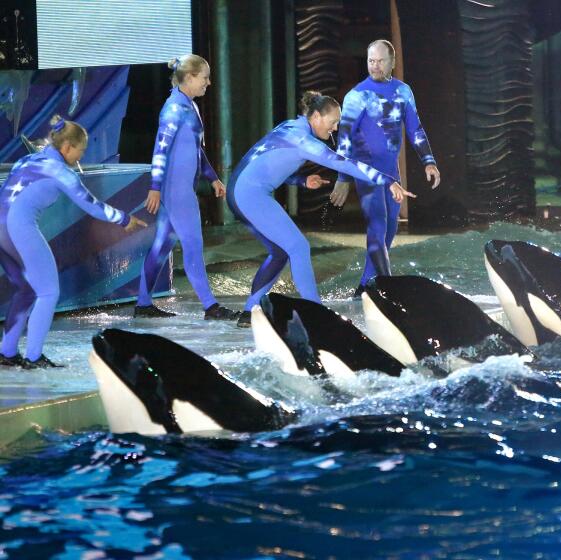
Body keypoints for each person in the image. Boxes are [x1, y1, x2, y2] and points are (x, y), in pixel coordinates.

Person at [227, 90, 413, 327]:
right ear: (316, 116)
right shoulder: (304, 141)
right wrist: (388, 180)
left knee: (281, 252)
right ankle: (316, 313)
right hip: (249, 194)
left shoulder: (291, 127)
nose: (335, 128)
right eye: (333, 122)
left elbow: (266, 165)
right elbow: (343, 163)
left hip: (241, 189)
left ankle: (249, 312)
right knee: (299, 247)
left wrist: (301, 181)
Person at [0, 116, 146, 368]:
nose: (81, 157)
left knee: (26, 289)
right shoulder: (60, 172)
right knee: (48, 291)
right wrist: (125, 219)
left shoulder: (28, 159)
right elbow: (93, 206)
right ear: (67, 147)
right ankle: (33, 357)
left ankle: (7, 352)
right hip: (17, 229)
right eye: (81, 150)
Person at [329, 39, 441, 297]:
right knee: (377, 224)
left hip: (391, 171)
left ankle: (365, 287)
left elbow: (415, 129)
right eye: (371, 61)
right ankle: (387, 287)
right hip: (366, 170)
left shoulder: (403, 91)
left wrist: (429, 161)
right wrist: (343, 177)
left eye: (380, 61)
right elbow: (344, 138)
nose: (375, 66)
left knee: (390, 228)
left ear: (392, 62)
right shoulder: (356, 96)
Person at [134, 54, 240, 320]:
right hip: (175, 192)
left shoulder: (189, 106)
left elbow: (196, 150)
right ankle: (210, 306)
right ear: (190, 77)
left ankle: (143, 304)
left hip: (180, 190)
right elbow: (160, 151)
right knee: (193, 244)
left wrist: (213, 177)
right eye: (204, 78)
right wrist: (155, 188)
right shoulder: (173, 109)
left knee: (161, 247)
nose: (209, 82)